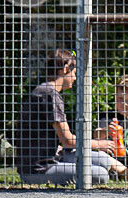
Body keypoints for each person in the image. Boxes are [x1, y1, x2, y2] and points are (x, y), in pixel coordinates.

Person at [15, 49, 117, 185]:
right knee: (100, 174)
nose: (75, 79)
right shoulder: (49, 95)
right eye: (74, 73)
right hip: (39, 170)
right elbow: (67, 140)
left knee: (104, 161)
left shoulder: (45, 91)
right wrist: (99, 144)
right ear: (65, 69)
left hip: (54, 157)